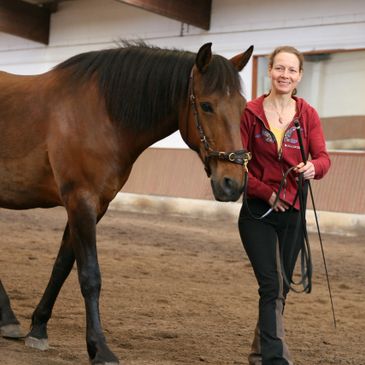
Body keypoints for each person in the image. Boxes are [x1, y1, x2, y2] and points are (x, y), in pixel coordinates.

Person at [238, 46, 331, 365]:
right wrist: (266, 192)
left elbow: (323, 159)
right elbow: (238, 165)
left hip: (293, 213)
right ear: (269, 71)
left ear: (300, 76)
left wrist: (313, 168)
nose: (285, 75)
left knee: (281, 290)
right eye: (280, 68)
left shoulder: (308, 115)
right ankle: (275, 358)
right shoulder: (250, 112)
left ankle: (258, 352)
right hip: (256, 214)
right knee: (271, 284)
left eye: (292, 70)